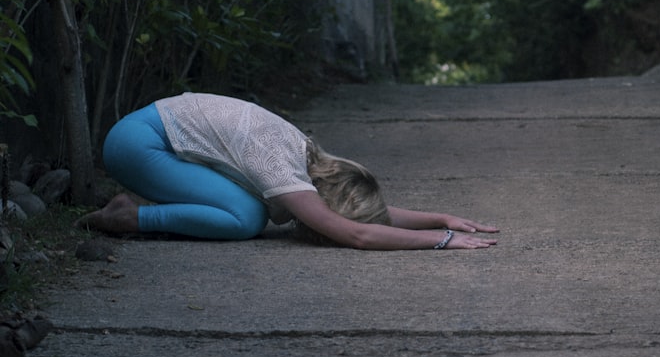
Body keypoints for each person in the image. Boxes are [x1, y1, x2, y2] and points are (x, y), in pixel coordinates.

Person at [78, 92, 499, 250]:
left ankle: (133, 210)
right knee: (246, 218)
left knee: (246, 210)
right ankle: (130, 217)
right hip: (137, 144)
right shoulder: (281, 167)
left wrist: (439, 216)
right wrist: (440, 240)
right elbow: (355, 232)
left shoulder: (308, 161)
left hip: (145, 134)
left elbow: (359, 217)